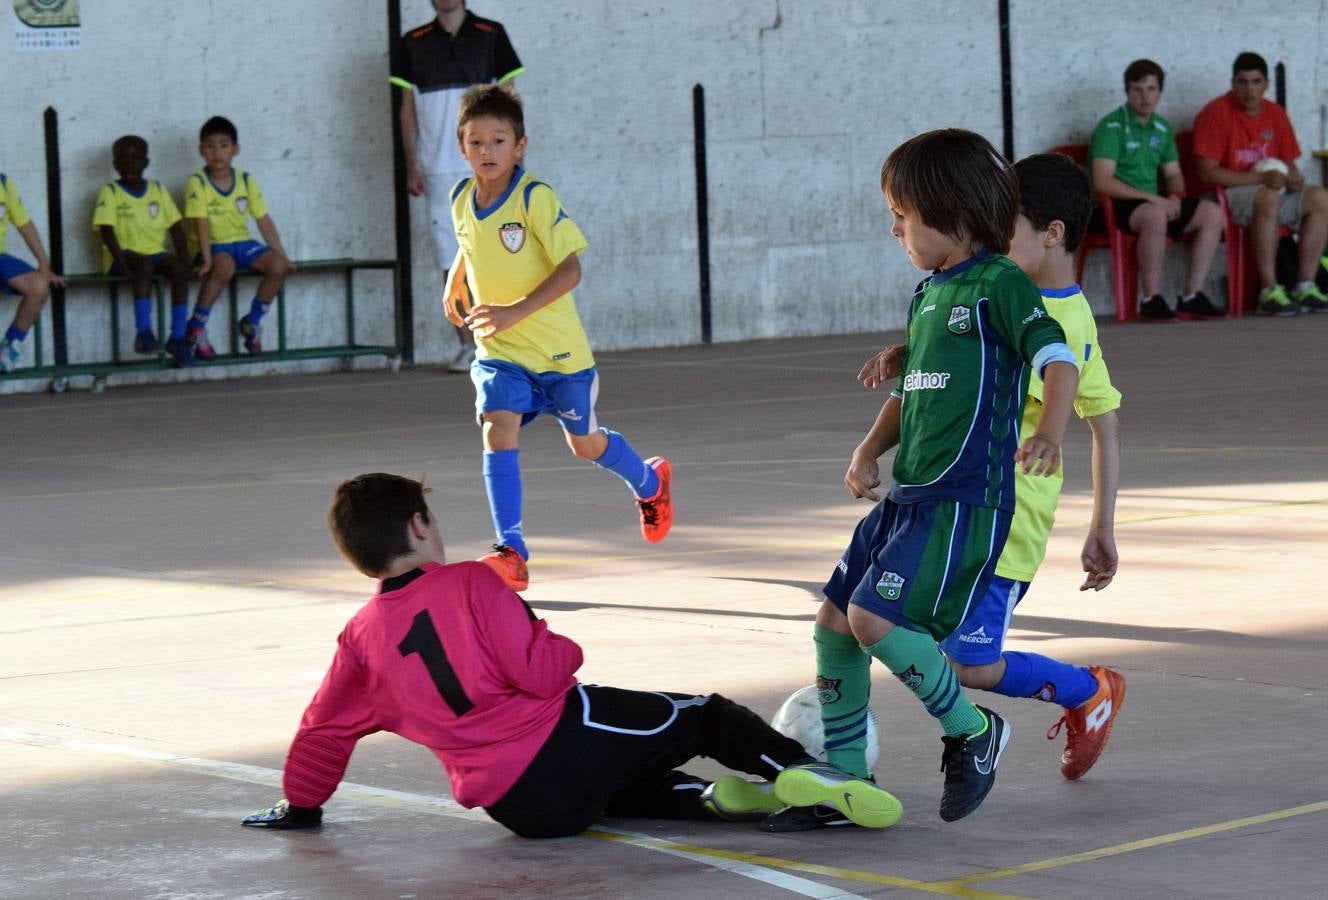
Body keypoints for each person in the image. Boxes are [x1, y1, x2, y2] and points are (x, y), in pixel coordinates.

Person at [238, 473, 904, 837]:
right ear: (419, 526)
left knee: (616, 786)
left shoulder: (359, 637)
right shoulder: (471, 581)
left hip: (521, 811)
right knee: (705, 716)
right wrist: (559, 639)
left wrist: (301, 806)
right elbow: (544, 670)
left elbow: (323, 730)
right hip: (560, 737)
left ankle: (713, 803)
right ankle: (805, 774)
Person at [763, 130, 1081, 833]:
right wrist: (869, 447)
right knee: (833, 621)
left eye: (903, 215)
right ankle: (846, 776)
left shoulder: (1002, 285)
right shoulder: (930, 292)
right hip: (910, 495)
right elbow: (914, 389)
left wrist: (1050, 433)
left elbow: (1059, 360)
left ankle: (973, 730)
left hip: (964, 500)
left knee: (877, 620)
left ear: (954, 212)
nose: (895, 228)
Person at [857, 153, 1126, 794]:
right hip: (953, 502)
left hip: (1007, 521)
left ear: (1052, 234)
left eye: (1004, 229)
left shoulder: (1065, 322)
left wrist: (1101, 528)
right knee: (883, 618)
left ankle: (1089, 690)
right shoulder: (989, 291)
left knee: (970, 664)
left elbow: (1105, 424)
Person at [443, 86, 672, 592]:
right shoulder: (461, 197)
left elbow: (571, 270)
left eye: (497, 141)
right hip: (500, 352)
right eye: (475, 142)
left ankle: (650, 482)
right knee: (497, 429)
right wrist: (456, 276)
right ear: (461, 148)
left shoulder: (534, 198)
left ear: (519, 145)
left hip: (559, 353)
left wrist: (515, 311)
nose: (487, 151)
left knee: (586, 446)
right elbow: (469, 241)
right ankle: (512, 550)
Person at [394, 0, 522, 373]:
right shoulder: (412, 42)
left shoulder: (491, 34)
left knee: (501, 251)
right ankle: (470, 344)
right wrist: (412, 163)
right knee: (451, 261)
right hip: (437, 170)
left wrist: (511, 155)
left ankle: (508, 340)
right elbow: (406, 109)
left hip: (489, 165)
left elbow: (510, 98)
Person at [1089, 59, 1225, 322]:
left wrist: (1174, 196)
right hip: (1119, 203)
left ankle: (1192, 295)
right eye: (1138, 89)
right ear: (1127, 92)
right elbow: (1103, 182)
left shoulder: (1163, 128)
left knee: (1211, 212)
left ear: (1160, 92)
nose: (1145, 96)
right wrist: (1155, 199)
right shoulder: (1112, 127)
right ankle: (1152, 298)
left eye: (1151, 89)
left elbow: (1174, 174)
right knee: (1154, 215)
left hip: (1154, 202)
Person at [1194, 51, 1328, 316]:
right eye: (1242, 82)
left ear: (1266, 84)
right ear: (1233, 83)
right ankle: (1269, 290)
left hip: (1272, 190)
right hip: (1228, 195)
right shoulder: (1215, 113)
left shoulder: (1276, 114)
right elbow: (1207, 173)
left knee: (1320, 197)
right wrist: (1259, 179)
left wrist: (1294, 177)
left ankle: (1305, 285)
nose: (1249, 89)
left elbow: (1289, 164)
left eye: (1256, 82)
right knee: (1267, 196)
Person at [182, 116, 294, 360]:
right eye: (210, 146)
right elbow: (200, 222)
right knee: (224, 267)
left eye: (224, 145)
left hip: (242, 243)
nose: (217, 152)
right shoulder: (197, 182)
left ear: (236, 149)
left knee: (278, 266)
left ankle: (252, 322)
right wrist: (208, 260)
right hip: (212, 246)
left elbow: (263, 220)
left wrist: (282, 255)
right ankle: (197, 325)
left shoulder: (246, 180)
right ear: (201, 150)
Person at [92, 135, 195, 367]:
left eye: (136, 158)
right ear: (115, 164)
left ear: (146, 163)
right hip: (122, 257)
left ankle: (177, 338)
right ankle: (144, 333)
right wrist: (123, 263)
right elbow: (106, 231)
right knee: (143, 265)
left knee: (178, 269)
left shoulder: (158, 189)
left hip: (154, 253)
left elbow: (177, 229)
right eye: (123, 159)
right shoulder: (111, 192)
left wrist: (186, 261)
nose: (130, 164)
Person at [0, 172, 63, 373]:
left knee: (38, 284)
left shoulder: (3, 182)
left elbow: (24, 224)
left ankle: (10, 345)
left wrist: (44, 264)